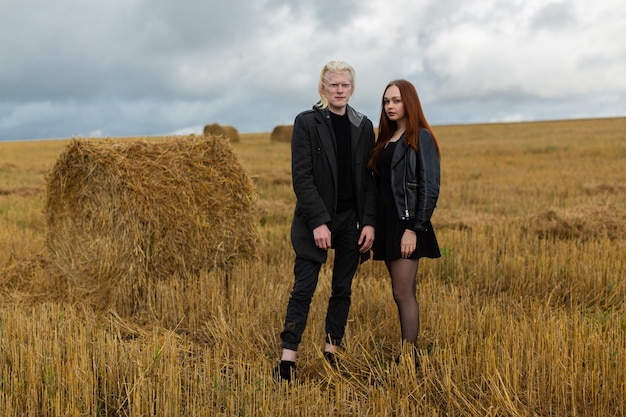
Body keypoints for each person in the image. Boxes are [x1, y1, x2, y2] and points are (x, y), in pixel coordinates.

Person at [274, 61, 377, 382]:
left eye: (345, 85)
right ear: (322, 88)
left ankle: (332, 355)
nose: (339, 90)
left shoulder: (364, 126)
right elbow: (301, 177)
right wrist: (319, 221)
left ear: (352, 88)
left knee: (342, 290)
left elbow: (370, 180)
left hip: (352, 221)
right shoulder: (306, 123)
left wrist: (370, 223)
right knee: (303, 289)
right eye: (333, 85)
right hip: (315, 220)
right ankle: (287, 361)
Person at [367, 79, 441, 364]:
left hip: (405, 223)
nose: (390, 106)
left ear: (409, 102)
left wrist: (413, 229)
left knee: (403, 292)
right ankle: (408, 353)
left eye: (396, 100)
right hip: (386, 224)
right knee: (398, 291)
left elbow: (430, 186)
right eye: (386, 101)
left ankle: (409, 358)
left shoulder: (419, 137)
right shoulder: (385, 139)